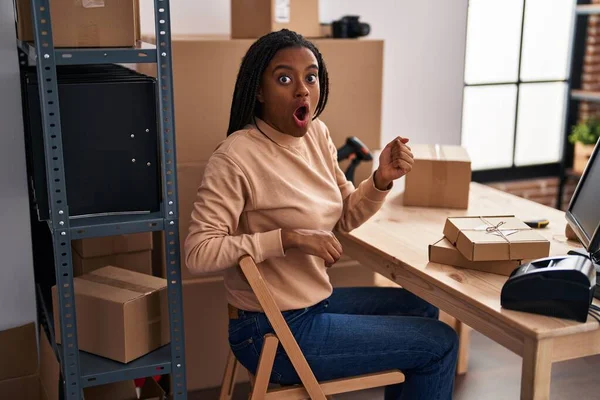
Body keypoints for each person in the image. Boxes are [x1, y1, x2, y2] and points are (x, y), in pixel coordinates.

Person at [184, 29, 458, 400]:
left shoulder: (317, 134)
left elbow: (344, 214)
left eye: (310, 77)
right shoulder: (235, 158)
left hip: (311, 305)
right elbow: (198, 252)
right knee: (440, 342)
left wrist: (379, 179)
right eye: (285, 78)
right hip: (273, 330)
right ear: (260, 91)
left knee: (423, 307)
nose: (302, 90)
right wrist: (288, 237)